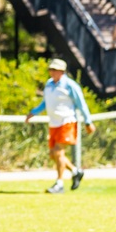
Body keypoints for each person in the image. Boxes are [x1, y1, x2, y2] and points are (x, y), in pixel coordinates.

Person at [25, 58, 96, 194]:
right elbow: (45, 103)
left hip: (67, 122)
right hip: (54, 123)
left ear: (61, 71)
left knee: (58, 152)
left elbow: (81, 104)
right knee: (53, 154)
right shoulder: (49, 85)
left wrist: (88, 122)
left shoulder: (70, 85)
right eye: (50, 69)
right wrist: (33, 113)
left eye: (54, 70)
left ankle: (59, 184)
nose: (51, 72)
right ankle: (76, 172)